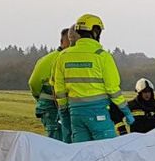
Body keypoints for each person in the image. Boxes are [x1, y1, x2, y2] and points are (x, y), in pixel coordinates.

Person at [53, 14, 134, 142]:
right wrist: (126, 111)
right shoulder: (102, 56)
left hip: (76, 115)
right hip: (98, 114)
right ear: (95, 32)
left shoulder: (63, 56)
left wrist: (63, 111)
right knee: (107, 153)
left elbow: (59, 89)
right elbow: (113, 89)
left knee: (82, 155)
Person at [28, 28, 68, 139]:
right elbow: (33, 83)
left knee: (55, 138)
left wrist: (39, 97)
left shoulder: (46, 60)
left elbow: (34, 84)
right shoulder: (65, 59)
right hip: (54, 107)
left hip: (49, 107)